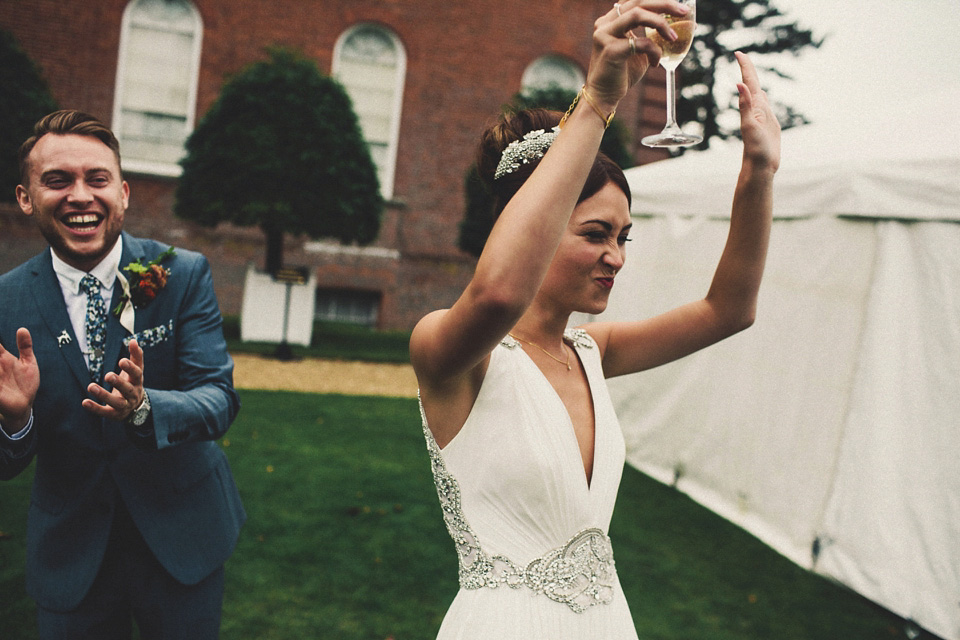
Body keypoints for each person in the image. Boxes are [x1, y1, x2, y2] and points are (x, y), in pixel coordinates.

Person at [409, 1, 781, 636]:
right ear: (537, 227)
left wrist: (759, 172)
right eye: (596, 233)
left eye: (625, 237)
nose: (616, 257)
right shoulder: (448, 352)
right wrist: (599, 99)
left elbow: (729, 310)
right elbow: (498, 295)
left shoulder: (592, 352)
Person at [0, 110, 245, 639]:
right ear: (25, 197)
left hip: (184, 540)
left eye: (97, 179)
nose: (80, 196)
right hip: (70, 552)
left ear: (124, 192)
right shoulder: (5, 302)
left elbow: (219, 398)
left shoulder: (181, 276)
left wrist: (145, 407)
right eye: (57, 181)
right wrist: (15, 420)